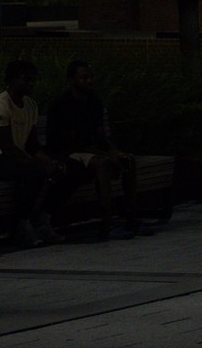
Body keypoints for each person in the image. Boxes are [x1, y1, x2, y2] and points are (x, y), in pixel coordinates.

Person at [46, 60, 153, 239]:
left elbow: (100, 134)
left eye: (90, 77)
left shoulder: (93, 99)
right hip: (66, 152)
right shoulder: (62, 103)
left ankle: (131, 217)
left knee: (128, 160)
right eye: (83, 78)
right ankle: (107, 224)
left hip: (87, 149)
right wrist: (106, 154)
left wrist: (114, 151)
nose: (89, 81)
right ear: (72, 79)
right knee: (102, 164)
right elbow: (69, 142)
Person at [0, 59, 65, 248]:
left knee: (61, 169)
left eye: (33, 80)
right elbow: (7, 147)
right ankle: (21, 225)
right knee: (35, 172)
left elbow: (32, 144)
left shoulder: (30, 105)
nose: (31, 84)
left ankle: (42, 220)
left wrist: (50, 161)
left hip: (17, 159)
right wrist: (39, 164)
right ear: (11, 80)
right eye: (26, 80)